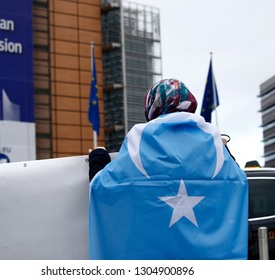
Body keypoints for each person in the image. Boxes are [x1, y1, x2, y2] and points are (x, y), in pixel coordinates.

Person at [88, 78, 248, 260]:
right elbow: (238, 182)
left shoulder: (140, 139)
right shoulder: (214, 141)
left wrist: (98, 157)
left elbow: (102, 187)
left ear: (152, 105)